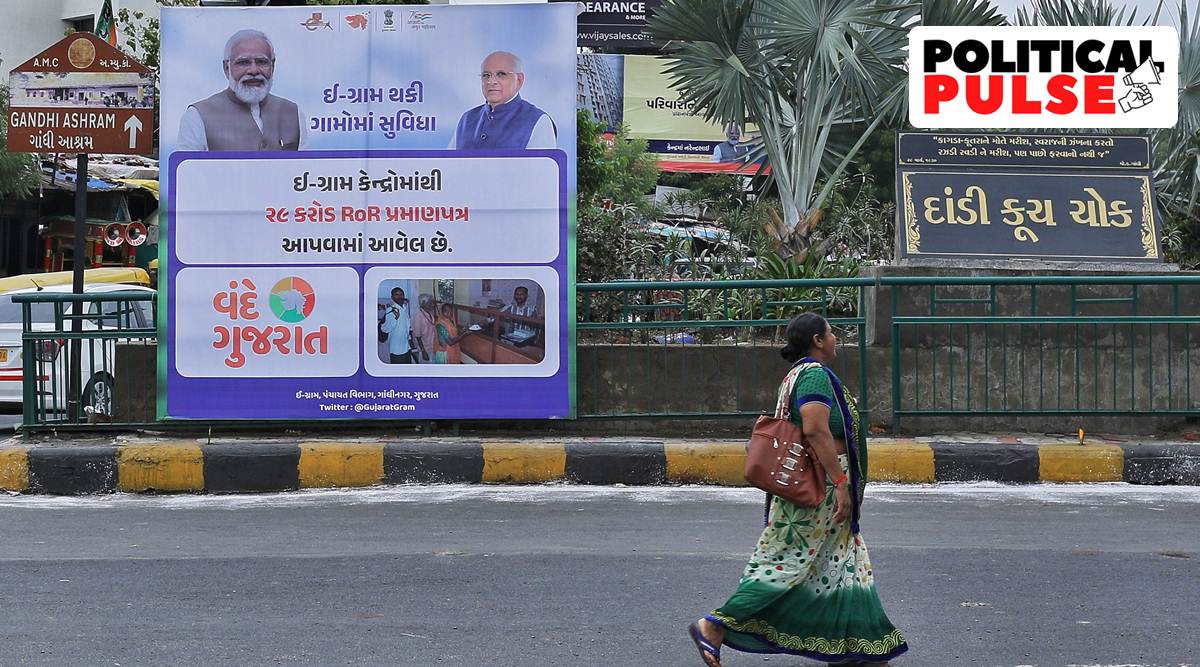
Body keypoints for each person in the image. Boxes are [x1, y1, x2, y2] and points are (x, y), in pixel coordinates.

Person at [687, 313, 907, 667]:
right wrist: (840, 482)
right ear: (817, 341)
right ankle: (713, 626)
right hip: (819, 488)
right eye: (831, 333)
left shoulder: (797, 375)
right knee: (785, 562)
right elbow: (815, 430)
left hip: (821, 488)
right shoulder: (814, 375)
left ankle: (860, 647)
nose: (835, 338)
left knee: (843, 564)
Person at [177, 29, 307, 151]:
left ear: (272, 66)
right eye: (243, 62)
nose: (253, 71)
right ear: (227, 68)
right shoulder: (197, 116)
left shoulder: (293, 113)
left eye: (261, 62)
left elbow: (306, 166)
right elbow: (187, 167)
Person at [450, 51, 556, 150]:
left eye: (501, 74)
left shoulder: (538, 120)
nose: (491, 81)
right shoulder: (466, 120)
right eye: (486, 75)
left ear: (519, 80)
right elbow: (448, 162)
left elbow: (543, 164)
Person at [379, 287, 413, 364]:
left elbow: (406, 328)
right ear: (392, 297)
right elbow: (384, 329)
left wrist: (410, 342)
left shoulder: (404, 309)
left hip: (406, 348)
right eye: (396, 295)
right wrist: (395, 318)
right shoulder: (391, 310)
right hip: (397, 351)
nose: (399, 296)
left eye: (401, 294)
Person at [412, 293, 437, 363]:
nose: (433, 305)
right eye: (430, 303)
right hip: (425, 349)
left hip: (432, 347)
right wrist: (423, 351)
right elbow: (418, 336)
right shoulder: (418, 316)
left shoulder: (430, 313)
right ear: (423, 304)